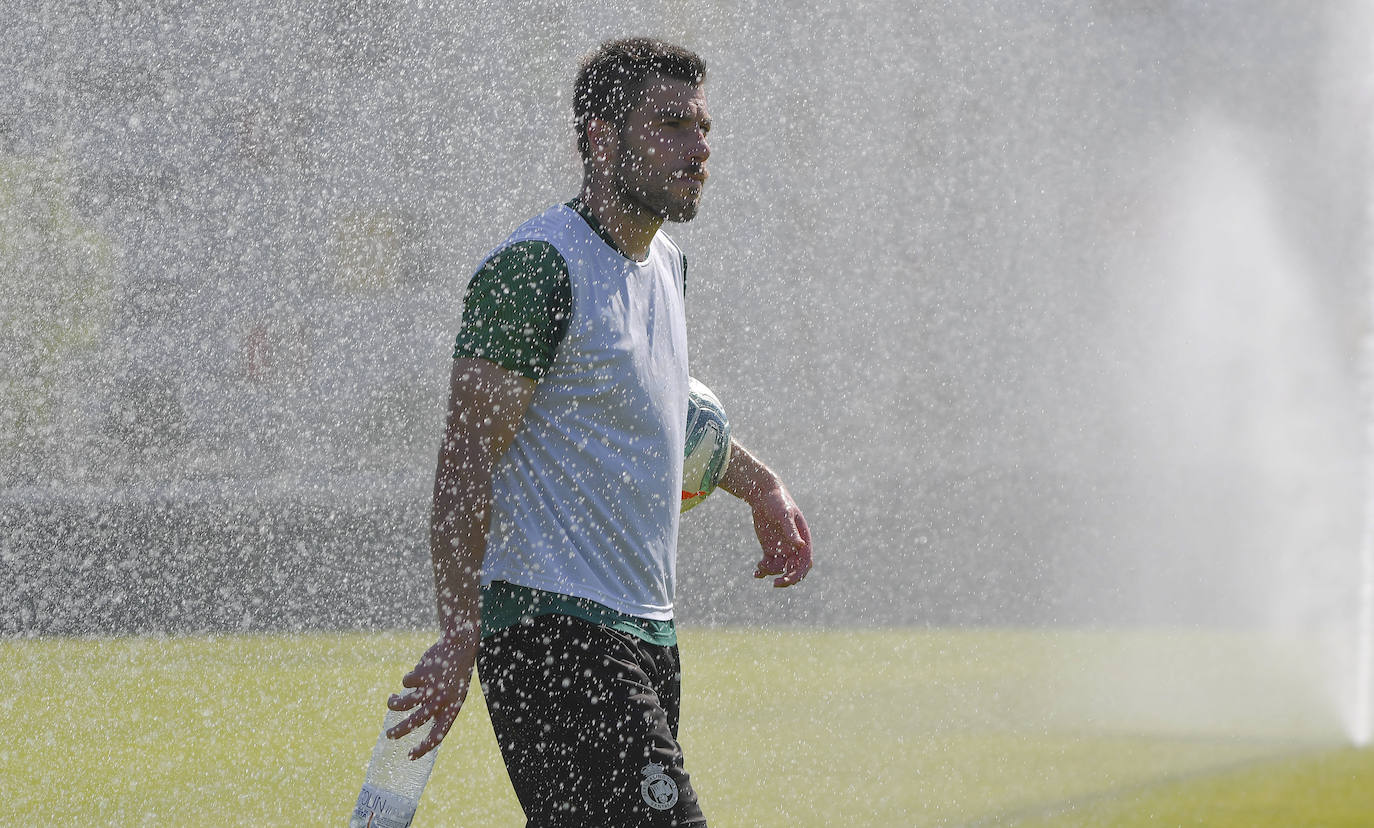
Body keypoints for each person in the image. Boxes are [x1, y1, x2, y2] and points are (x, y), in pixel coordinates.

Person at [386, 37, 813, 827]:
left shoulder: (666, 266)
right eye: (671, 124)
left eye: (703, 127)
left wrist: (760, 485)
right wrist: (458, 633)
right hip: (554, 633)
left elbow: (658, 410)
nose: (700, 147)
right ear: (600, 137)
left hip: (646, 631)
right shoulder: (535, 268)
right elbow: (465, 457)